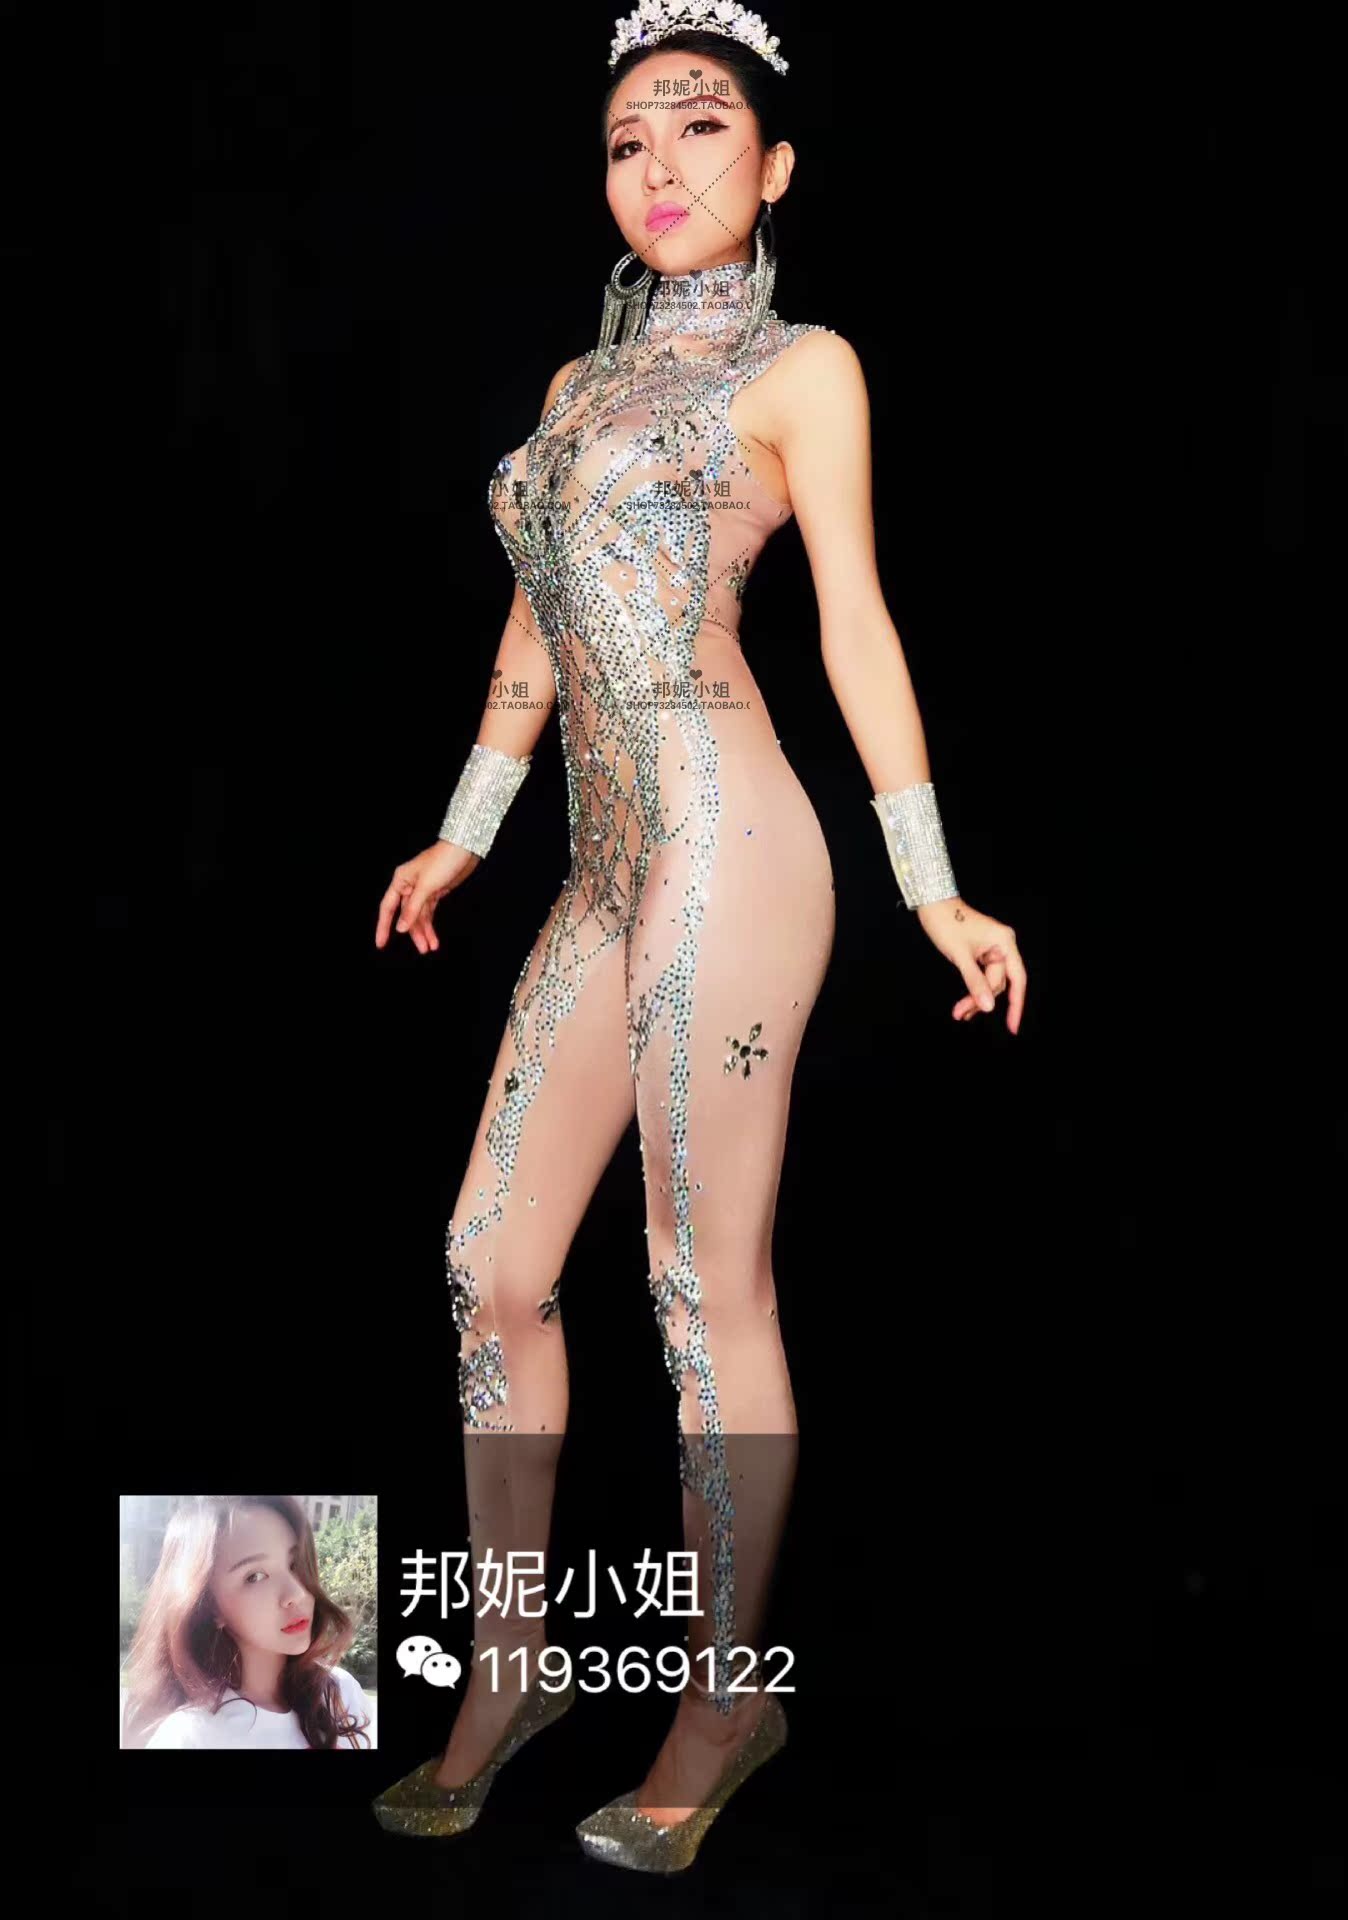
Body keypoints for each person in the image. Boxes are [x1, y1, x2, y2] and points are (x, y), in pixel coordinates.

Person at [372, 2, 1026, 1872]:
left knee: (693, 1286)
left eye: (701, 125)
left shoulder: (805, 369)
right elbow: (534, 627)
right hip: (599, 866)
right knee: (491, 1262)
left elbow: (853, 621)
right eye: (625, 140)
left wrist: (930, 881)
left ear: (777, 162)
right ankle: (513, 1667)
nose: (658, 165)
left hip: (733, 845)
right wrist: (463, 831)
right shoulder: (577, 386)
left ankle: (726, 1699)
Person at [121, 1494, 375, 1751]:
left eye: (294, 1564)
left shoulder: (340, 1693)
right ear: (208, 1605)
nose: (296, 1593)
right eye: (255, 1576)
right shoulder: (194, 1736)